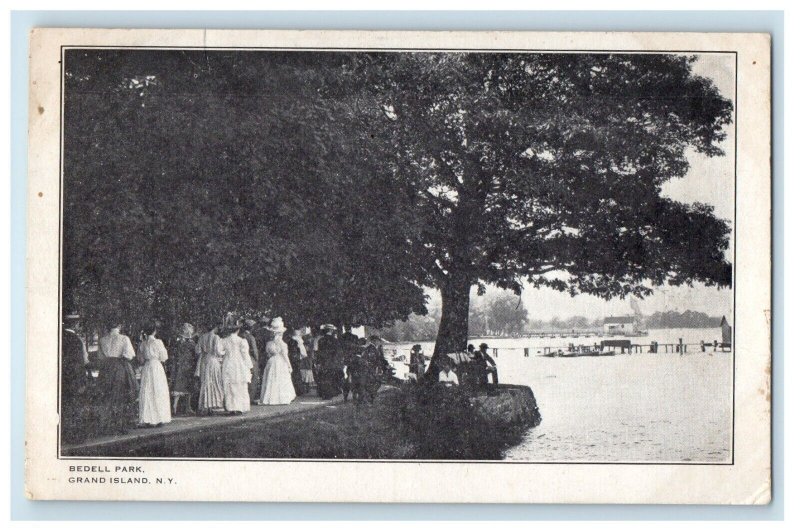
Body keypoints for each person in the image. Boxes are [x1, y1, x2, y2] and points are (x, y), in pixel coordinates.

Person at [96, 320, 138, 434]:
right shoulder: (124, 338)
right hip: (119, 367)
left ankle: (106, 425)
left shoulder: (102, 339)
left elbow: (100, 356)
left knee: (107, 395)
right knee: (120, 396)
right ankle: (119, 425)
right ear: (119, 325)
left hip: (106, 369)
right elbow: (129, 355)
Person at [61, 312, 89, 442]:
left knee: (64, 405)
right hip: (74, 379)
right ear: (75, 324)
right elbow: (82, 362)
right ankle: (75, 435)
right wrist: (82, 380)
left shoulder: (59, 337)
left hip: (62, 378)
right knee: (75, 406)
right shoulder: (77, 341)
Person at [137, 323, 172, 427]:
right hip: (156, 366)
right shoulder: (158, 342)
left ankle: (148, 418)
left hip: (147, 367)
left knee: (148, 390)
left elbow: (140, 359)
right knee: (158, 390)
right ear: (155, 331)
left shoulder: (143, 343)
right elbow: (164, 357)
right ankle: (159, 418)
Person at [259, 317, 296, 405]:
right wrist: (289, 366)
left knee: (271, 379)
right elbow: (285, 356)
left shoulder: (269, 343)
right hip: (280, 361)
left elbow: (268, 354)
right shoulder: (283, 344)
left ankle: (270, 398)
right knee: (281, 379)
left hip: (271, 361)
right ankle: (281, 398)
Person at [220, 320, 253, 414]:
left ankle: (231, 408)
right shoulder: (241, 341)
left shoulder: (224, 341)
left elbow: (220, 352)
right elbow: (245, 355)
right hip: (239, 364)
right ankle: (239, 407)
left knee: (229, 385)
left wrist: (225, 355)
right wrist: (249, 366)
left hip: (228, 363)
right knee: (239, 385)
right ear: (238, 330)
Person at [195, 321, 225, 415]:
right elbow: (218, 351)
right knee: (215, 381)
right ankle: (213, 404)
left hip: (204, 360)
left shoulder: (202, 337)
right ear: (214, 327)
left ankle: (205, 405)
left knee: (205, 382)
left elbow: (198, 350)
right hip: (213, 360)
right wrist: (224, 351)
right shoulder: (216, 337)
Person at [169, 323, 197, 415]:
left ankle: (175, 407)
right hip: (187, 366)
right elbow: (195, 354)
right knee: (187, 386)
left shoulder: (178, 343)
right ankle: (186, 407)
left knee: (180, 386)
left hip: (180, 365)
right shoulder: (191, 343)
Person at [315, 324, 343, 399]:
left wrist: (318, 363)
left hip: (323, 362)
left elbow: (319, 352)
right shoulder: (335, 340)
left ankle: (324, 393)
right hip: (333, 362)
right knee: (332, 377)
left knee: (324, 377)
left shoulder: (321, 340)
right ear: (331, 331)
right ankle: (332, 393)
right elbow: (338, 353)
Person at [239, 320, 261, 404]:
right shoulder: (250, 337)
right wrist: (257, 359)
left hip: (240, 359)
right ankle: (250, 398)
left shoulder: (240, 336)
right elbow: (254, 350)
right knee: (253, 378)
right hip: (250, 358)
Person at [287, 328, 309, 395]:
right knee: (297, 374)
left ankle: (296, 389)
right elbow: (302, 352)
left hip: (291, 358)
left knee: (293, 374)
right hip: (296, 359)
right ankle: (299, 390)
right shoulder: (297, 341)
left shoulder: (289, 341)